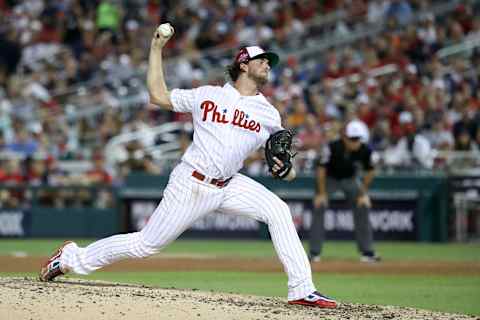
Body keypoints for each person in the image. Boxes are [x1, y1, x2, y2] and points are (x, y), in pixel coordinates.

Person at [39, 23, 337, 309]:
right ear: (243, 64)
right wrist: (156, 47)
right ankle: (70, 258)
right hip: (191, 182)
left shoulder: (269, 113)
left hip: (230, 183)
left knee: (279, 211)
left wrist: (287, 170)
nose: (269, 65)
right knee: (145, 245)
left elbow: (284, 161)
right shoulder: (207, 95)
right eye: (262, 60)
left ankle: (302, 290)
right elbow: (158, 96)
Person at [309, 120, 380, 263]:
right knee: (319, 206)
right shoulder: (332, 147)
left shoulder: (366, 150)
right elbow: (321, 171)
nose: (355, 142)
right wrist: (321, 194)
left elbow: (371, 172)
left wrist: (362, 194)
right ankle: (314, 253)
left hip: (350, 180)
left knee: (363, 205)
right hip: (329, 179)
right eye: (352, 139)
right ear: (345, 137)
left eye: (357, 139)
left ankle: (367, 251)